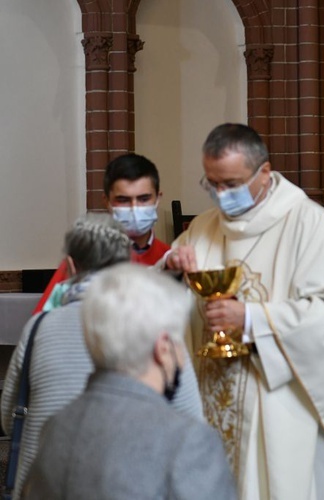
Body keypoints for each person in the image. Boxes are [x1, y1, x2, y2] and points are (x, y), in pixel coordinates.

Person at [163, 123, 324, 499]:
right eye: (211, 184)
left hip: (276, 407)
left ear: (264, 171)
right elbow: (153, 296)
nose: (220, 194)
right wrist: (171, 268)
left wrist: (249, 319)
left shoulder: (308, 224)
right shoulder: (204, 226)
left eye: (231, 183)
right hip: (209, 398)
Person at [0, 214, 203, 500]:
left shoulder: (38, 328)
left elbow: (10, 418)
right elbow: (191, 418)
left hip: (44, 485)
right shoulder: (158, 328)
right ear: (127, 266)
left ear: (70, 266)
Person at [23, 263, 236, 500]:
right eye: (179, 343)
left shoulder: (56, 426)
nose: (183, 361)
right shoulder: (188, 442)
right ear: (163, 348)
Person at [33, 153, 170, 312]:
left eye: (144, 199)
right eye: (123, 200)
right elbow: (42, 320)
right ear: (107, 201)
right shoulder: (84, 258)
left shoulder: (169, 258)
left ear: (158, 198)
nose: (134, 208)